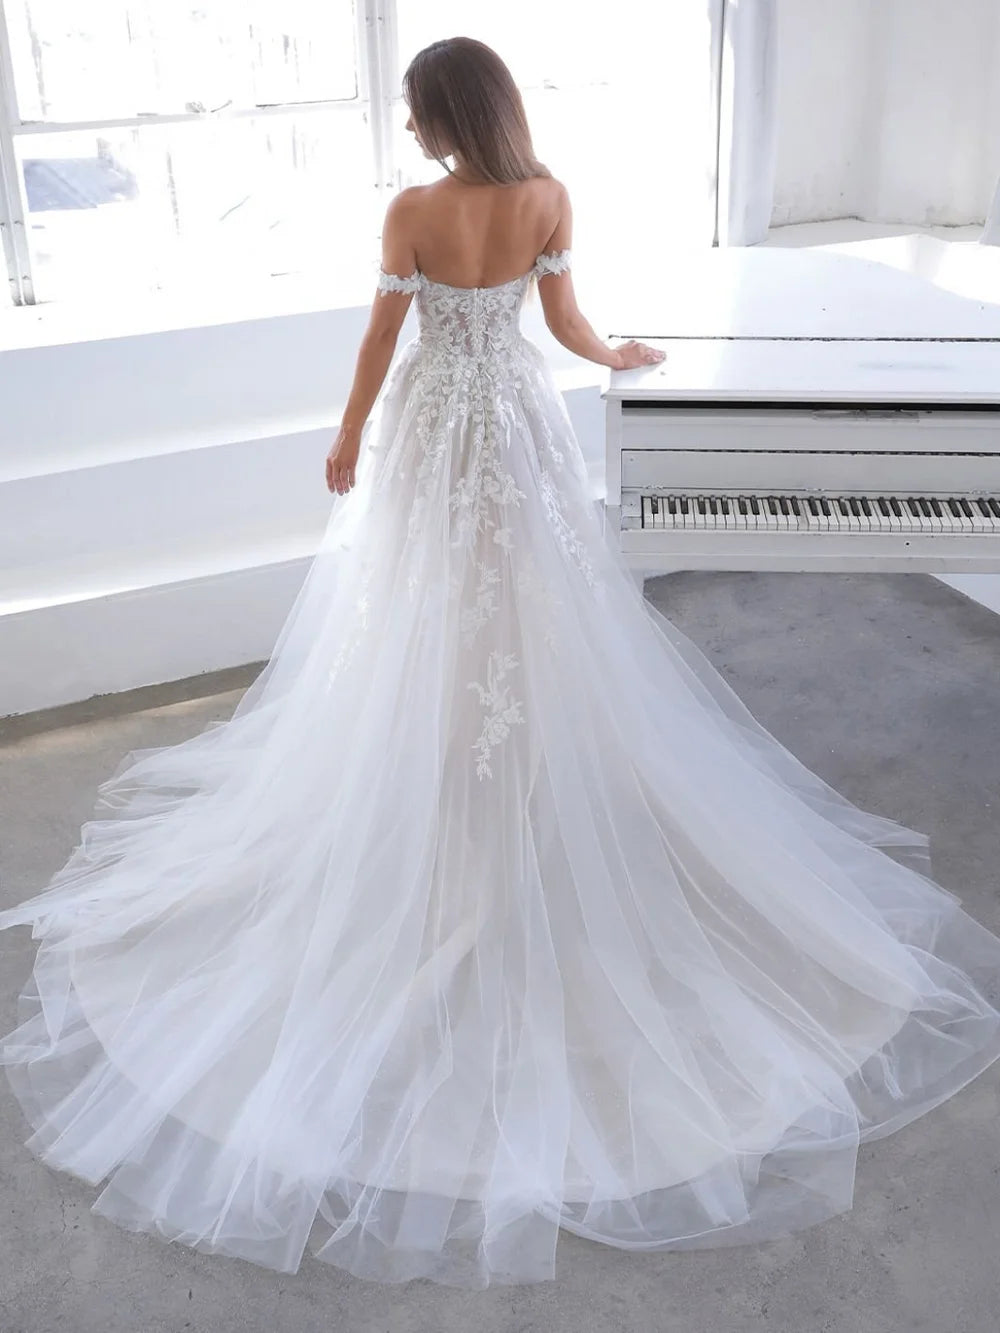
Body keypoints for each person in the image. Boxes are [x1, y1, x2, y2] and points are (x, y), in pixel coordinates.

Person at [1, 35, 1000, 1293]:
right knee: (526, 600)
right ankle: (517, 761)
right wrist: (617, 357)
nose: (412, 133)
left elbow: (382, 342)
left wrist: (348, 436)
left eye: (417, 113)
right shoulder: (546, 196)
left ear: (437, 116)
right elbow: (568, 323)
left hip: (437, 428)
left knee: (431, 603)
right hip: (515, 423)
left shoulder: (415, 211)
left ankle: (449, 767)